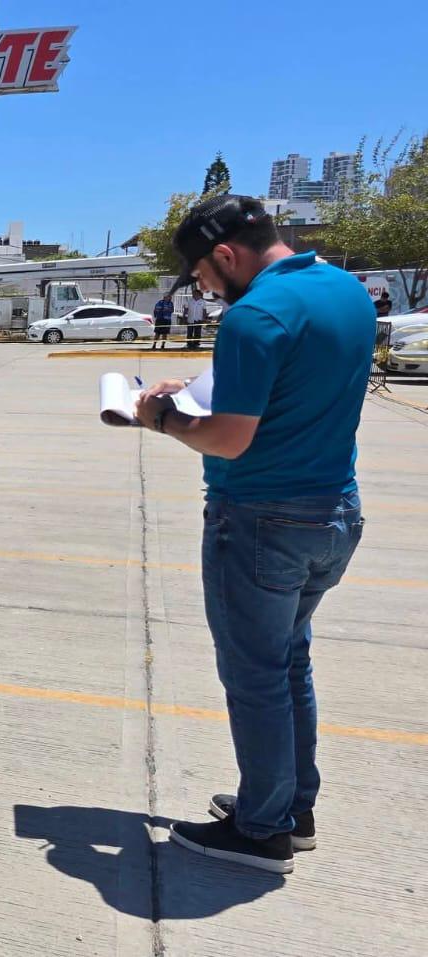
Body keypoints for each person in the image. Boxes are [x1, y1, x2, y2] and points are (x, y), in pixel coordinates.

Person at [135, 195, 373, 874]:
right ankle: (293, 806)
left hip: (263, 519)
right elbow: (288, 391)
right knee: (289, 660)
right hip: (334, 511)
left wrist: (160, 417)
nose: (204, 289)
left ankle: (262, 828)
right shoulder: (345, 292)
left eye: (203, 275)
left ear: (227, 255)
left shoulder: (254, 316)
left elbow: (230, 438)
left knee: (255, 675)